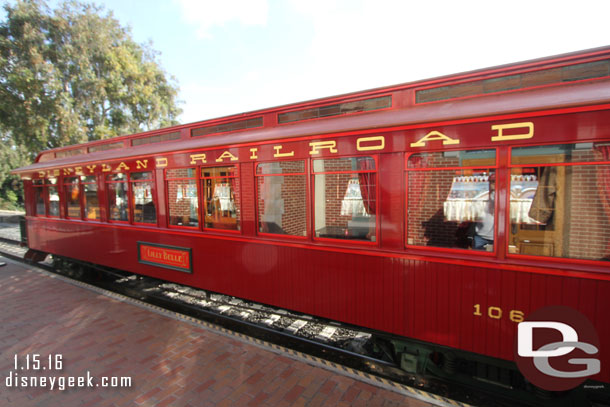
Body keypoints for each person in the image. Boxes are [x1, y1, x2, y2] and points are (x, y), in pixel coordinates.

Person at [474, 173, 495, 250]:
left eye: (494, 182)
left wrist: (494, 191)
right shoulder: (482, 195)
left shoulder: (501, 195)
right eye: (491, 182)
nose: (492, 184)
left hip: (496, 237)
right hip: (481, 235)